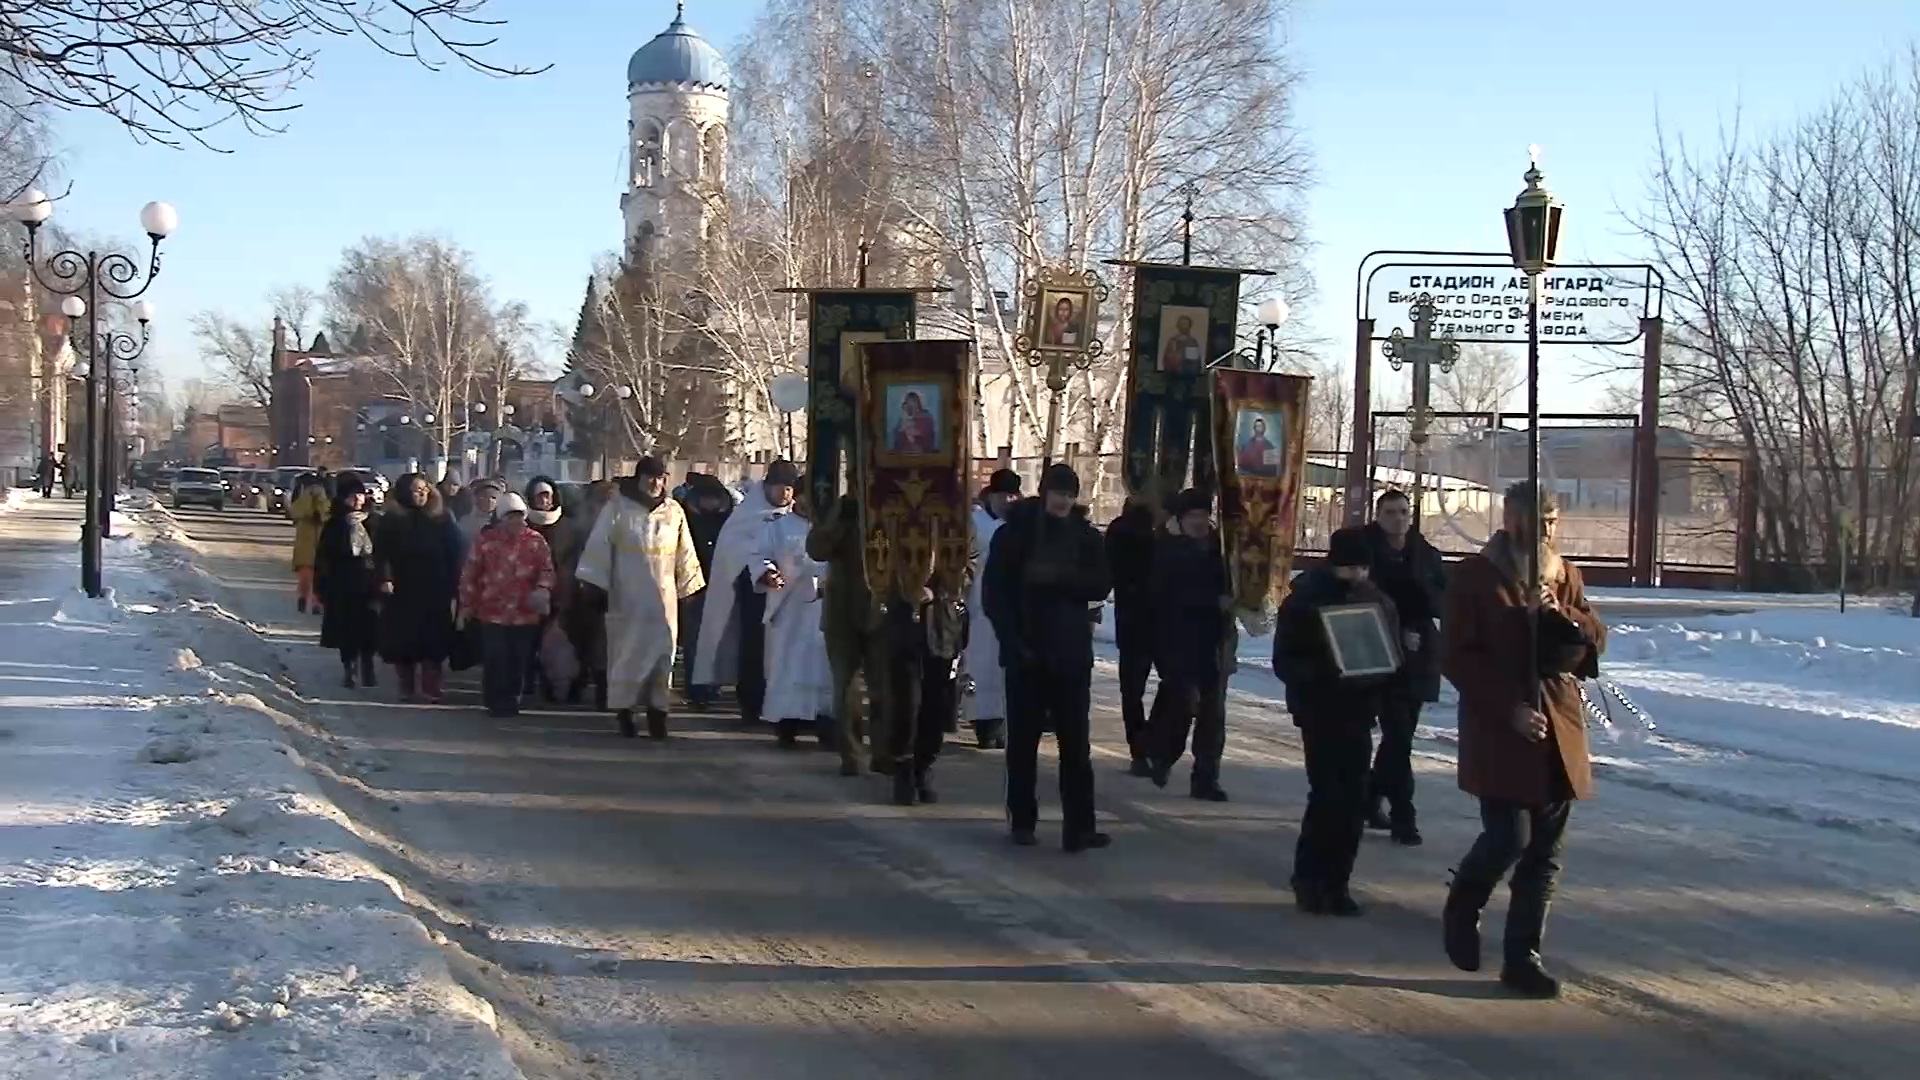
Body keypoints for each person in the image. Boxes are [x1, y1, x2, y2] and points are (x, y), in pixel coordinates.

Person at [1442, 483, 1605, 1000]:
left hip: (1559, 725)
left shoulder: (1564, 574)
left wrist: (1564, 617)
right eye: (1539, 521)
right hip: (1502, 729)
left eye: (1554, 522)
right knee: (1507, 838)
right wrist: (1508, 708)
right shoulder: (1475, 577)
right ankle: (1463, 906)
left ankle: (1523, 956)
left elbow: (1595, 639)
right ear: (1512, 521)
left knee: (1544, 855)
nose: (1548, 532)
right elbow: (1458, 658)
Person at [985, 463, 1113, 852]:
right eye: (1057, 493)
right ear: (1043, 493)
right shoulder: (1015, 534)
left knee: (1076, 745)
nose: (1063, 501)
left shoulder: (1085, 537)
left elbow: (1102, 583)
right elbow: (995, 595)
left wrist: (1061, 579)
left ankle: (1080, 826)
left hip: (1070, 653)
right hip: (1027, 652)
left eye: (1070, 494)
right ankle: (1022, 820)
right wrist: (1011, 642)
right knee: (1023, 743)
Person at [1272, 527, 1400, 917]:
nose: (1356, 575)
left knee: (1353, 802)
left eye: (1363, 568)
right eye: (1350, 568)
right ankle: (1309, 879)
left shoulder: (1378, 602)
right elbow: (1285, 660)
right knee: (1326, 795)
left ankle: (1338, 883)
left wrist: (1382, 674)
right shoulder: (1306, 600)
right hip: (1319, 711)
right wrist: (1325, 670)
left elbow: (1391, 656)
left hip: (1359, 713)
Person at [574, 458, 705, 738]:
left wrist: (689, 587)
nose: (656, 483)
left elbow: (685, 551)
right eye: (650, 478)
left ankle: (659, 714)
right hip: (628, 598)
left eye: (661, 478)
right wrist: (594, 584)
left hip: (663, 600)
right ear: (639, 479)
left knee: (662, 656)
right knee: (628, 655)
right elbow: (599, 545)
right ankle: (625, 712)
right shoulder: (618, 509)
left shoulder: (674, 512)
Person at [1364, 489, 1448, 846]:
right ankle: (1402, 814)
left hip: (1417, 656)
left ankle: (1371, 798)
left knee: (1400, 736)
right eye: (1390, 512)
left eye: (1403, 512)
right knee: (1397, 736)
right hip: (1376, 654)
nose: (1398, 518)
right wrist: (1394, 629)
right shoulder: (1365, 552)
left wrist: (1423, 608)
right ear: (1378, 516)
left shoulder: (1426, 555)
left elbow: (1445, 600)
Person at [690, 461, 798, 724]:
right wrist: (761, 571)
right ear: (767, 487)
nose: (784, 494)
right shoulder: (747, 516)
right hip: (756, 595)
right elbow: (735, 551)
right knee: (754, 649)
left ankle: (786, 706)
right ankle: (751, 702)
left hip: (791, 599)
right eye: (779, 487)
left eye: (789, 488)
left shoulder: (799, 516)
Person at [1147, 488, 1232, 801]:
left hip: (1215, 642)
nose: (1199, 521)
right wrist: (1213, 602)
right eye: (1192, 516)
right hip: (1178, 641)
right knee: (1182, 707)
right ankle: (1163, 755)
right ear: (1181, 519)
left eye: (1202, 515)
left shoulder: (1221, 549)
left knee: (1213, 714)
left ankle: (1206, 777)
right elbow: (1163, 599)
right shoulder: (1168, 552)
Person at [809, 494, 888, 776]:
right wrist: (838, 521)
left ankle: (883, 751)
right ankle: (852, 753)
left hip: (883, 606)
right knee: (846, 685)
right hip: (842, 609)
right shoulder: (842, 507)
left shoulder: (891, 505)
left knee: (884, 684)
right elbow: (817, 548)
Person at [458, 493, 556, 718]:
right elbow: (470, 574)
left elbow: (547, 570)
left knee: (518, 659)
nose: (516, 522)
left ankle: (512, 699)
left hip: (525, 613)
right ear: (501, 519)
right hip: (493, 613)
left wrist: (542, 590)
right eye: (511, 517)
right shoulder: (487, 541)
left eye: (520, 516)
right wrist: (467, 604)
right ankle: (494, 699)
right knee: (495, 657)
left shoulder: (536, 541)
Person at [752, 490, 833, 747]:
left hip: (824, 605)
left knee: (823, 664)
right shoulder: (778, 527)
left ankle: (826, 721)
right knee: (788, 663)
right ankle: (786, 723)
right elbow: (758, 555)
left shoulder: (831, 527)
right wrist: (768, 573)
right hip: (789, 606)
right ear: (798, 497)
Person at [374, 472, 463, 704]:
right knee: (403, 639)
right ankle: (407, 684)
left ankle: (431, 684)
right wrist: (385, 578)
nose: (421, 493)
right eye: (416, 489)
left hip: (435, 586)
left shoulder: (442, 517)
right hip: (402, 587)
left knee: (434, 638)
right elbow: (381, 553)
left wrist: (456, 585)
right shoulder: (392, 519)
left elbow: (455, 553)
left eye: (424, 489)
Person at [882, 574, 966, 805]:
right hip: (903, 625)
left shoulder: (954, 534)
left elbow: (966, 566)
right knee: (906, 704)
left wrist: (939, 591)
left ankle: (924, 765)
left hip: (942, 627)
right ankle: (903, 768)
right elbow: (877, 566)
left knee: (935, 707)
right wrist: (905, 589)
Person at [964, 469, 1022, 750]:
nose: (1008, 501)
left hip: (1008, 605)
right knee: (979, 664)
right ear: (993, 495)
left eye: (1013, 495)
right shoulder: (975, 523)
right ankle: (980, 723)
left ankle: (999, 722)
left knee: (1002, 667)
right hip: (977, 604)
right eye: (1003, 495)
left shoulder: (1017, 526)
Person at [1103, 493, 1159, 775]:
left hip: (1135, 620)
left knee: (1134, 691)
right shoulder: (1154, 532)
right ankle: (1145, 744)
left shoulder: (1120, 530)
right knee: (1163, 689)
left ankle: (1142, 746)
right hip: (1151, 620)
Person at [525, 475, 588, 702]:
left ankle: (569, 686)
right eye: (539, 495)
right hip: (531, 590)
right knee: (533, 641)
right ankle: (536, 684)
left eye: (547, 495)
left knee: (567, 642)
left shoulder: (570, 527)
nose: (544, 501)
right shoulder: (525, 524)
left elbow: (579, 558)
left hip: (565, 590)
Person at [314, 475, 380, 689]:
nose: (356, 499)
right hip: (343, 583)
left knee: (370, 627)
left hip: (370, 582)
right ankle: (349, 668)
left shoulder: (373, 521)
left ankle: (368, 665)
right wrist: (321, 586)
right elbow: (323, 557)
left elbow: (384, 552)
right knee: (346, 630)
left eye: (359, 494)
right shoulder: (335, 524)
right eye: (351, 496)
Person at [677, 474, 735, 710]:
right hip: (694, 587)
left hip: (721, 585)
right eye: (706, 499)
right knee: (694, 639)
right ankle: (696, 687)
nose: (710, 504)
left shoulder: (730, 520)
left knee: (717, 637)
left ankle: (712, 684)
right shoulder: (687, 519)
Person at [290, 472, 332, 615]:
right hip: (306, 541)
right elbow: (295, 511)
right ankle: (303, 597)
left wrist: (319, 503)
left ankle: (316, 603)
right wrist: (308, 497)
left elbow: (327, 513)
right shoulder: (302, 497)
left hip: (321, 540)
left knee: (320, 576)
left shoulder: (325, 498)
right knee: (305, 576)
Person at [458, 478, 504, 551]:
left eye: (493, 497)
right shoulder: (465, 522)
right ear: (476, 498)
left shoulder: (503, 522)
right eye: (485, 496)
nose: (489, 500)